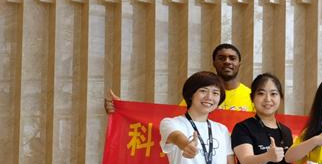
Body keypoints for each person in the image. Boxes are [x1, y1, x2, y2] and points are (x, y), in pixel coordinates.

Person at [104, 43, 255, 113]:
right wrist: (123, 110)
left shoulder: (251, 96)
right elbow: (172, 120)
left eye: (232, 58)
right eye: (221, 58)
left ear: (239, 63)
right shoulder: (199, 95)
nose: (227, 61)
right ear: (214, 63)